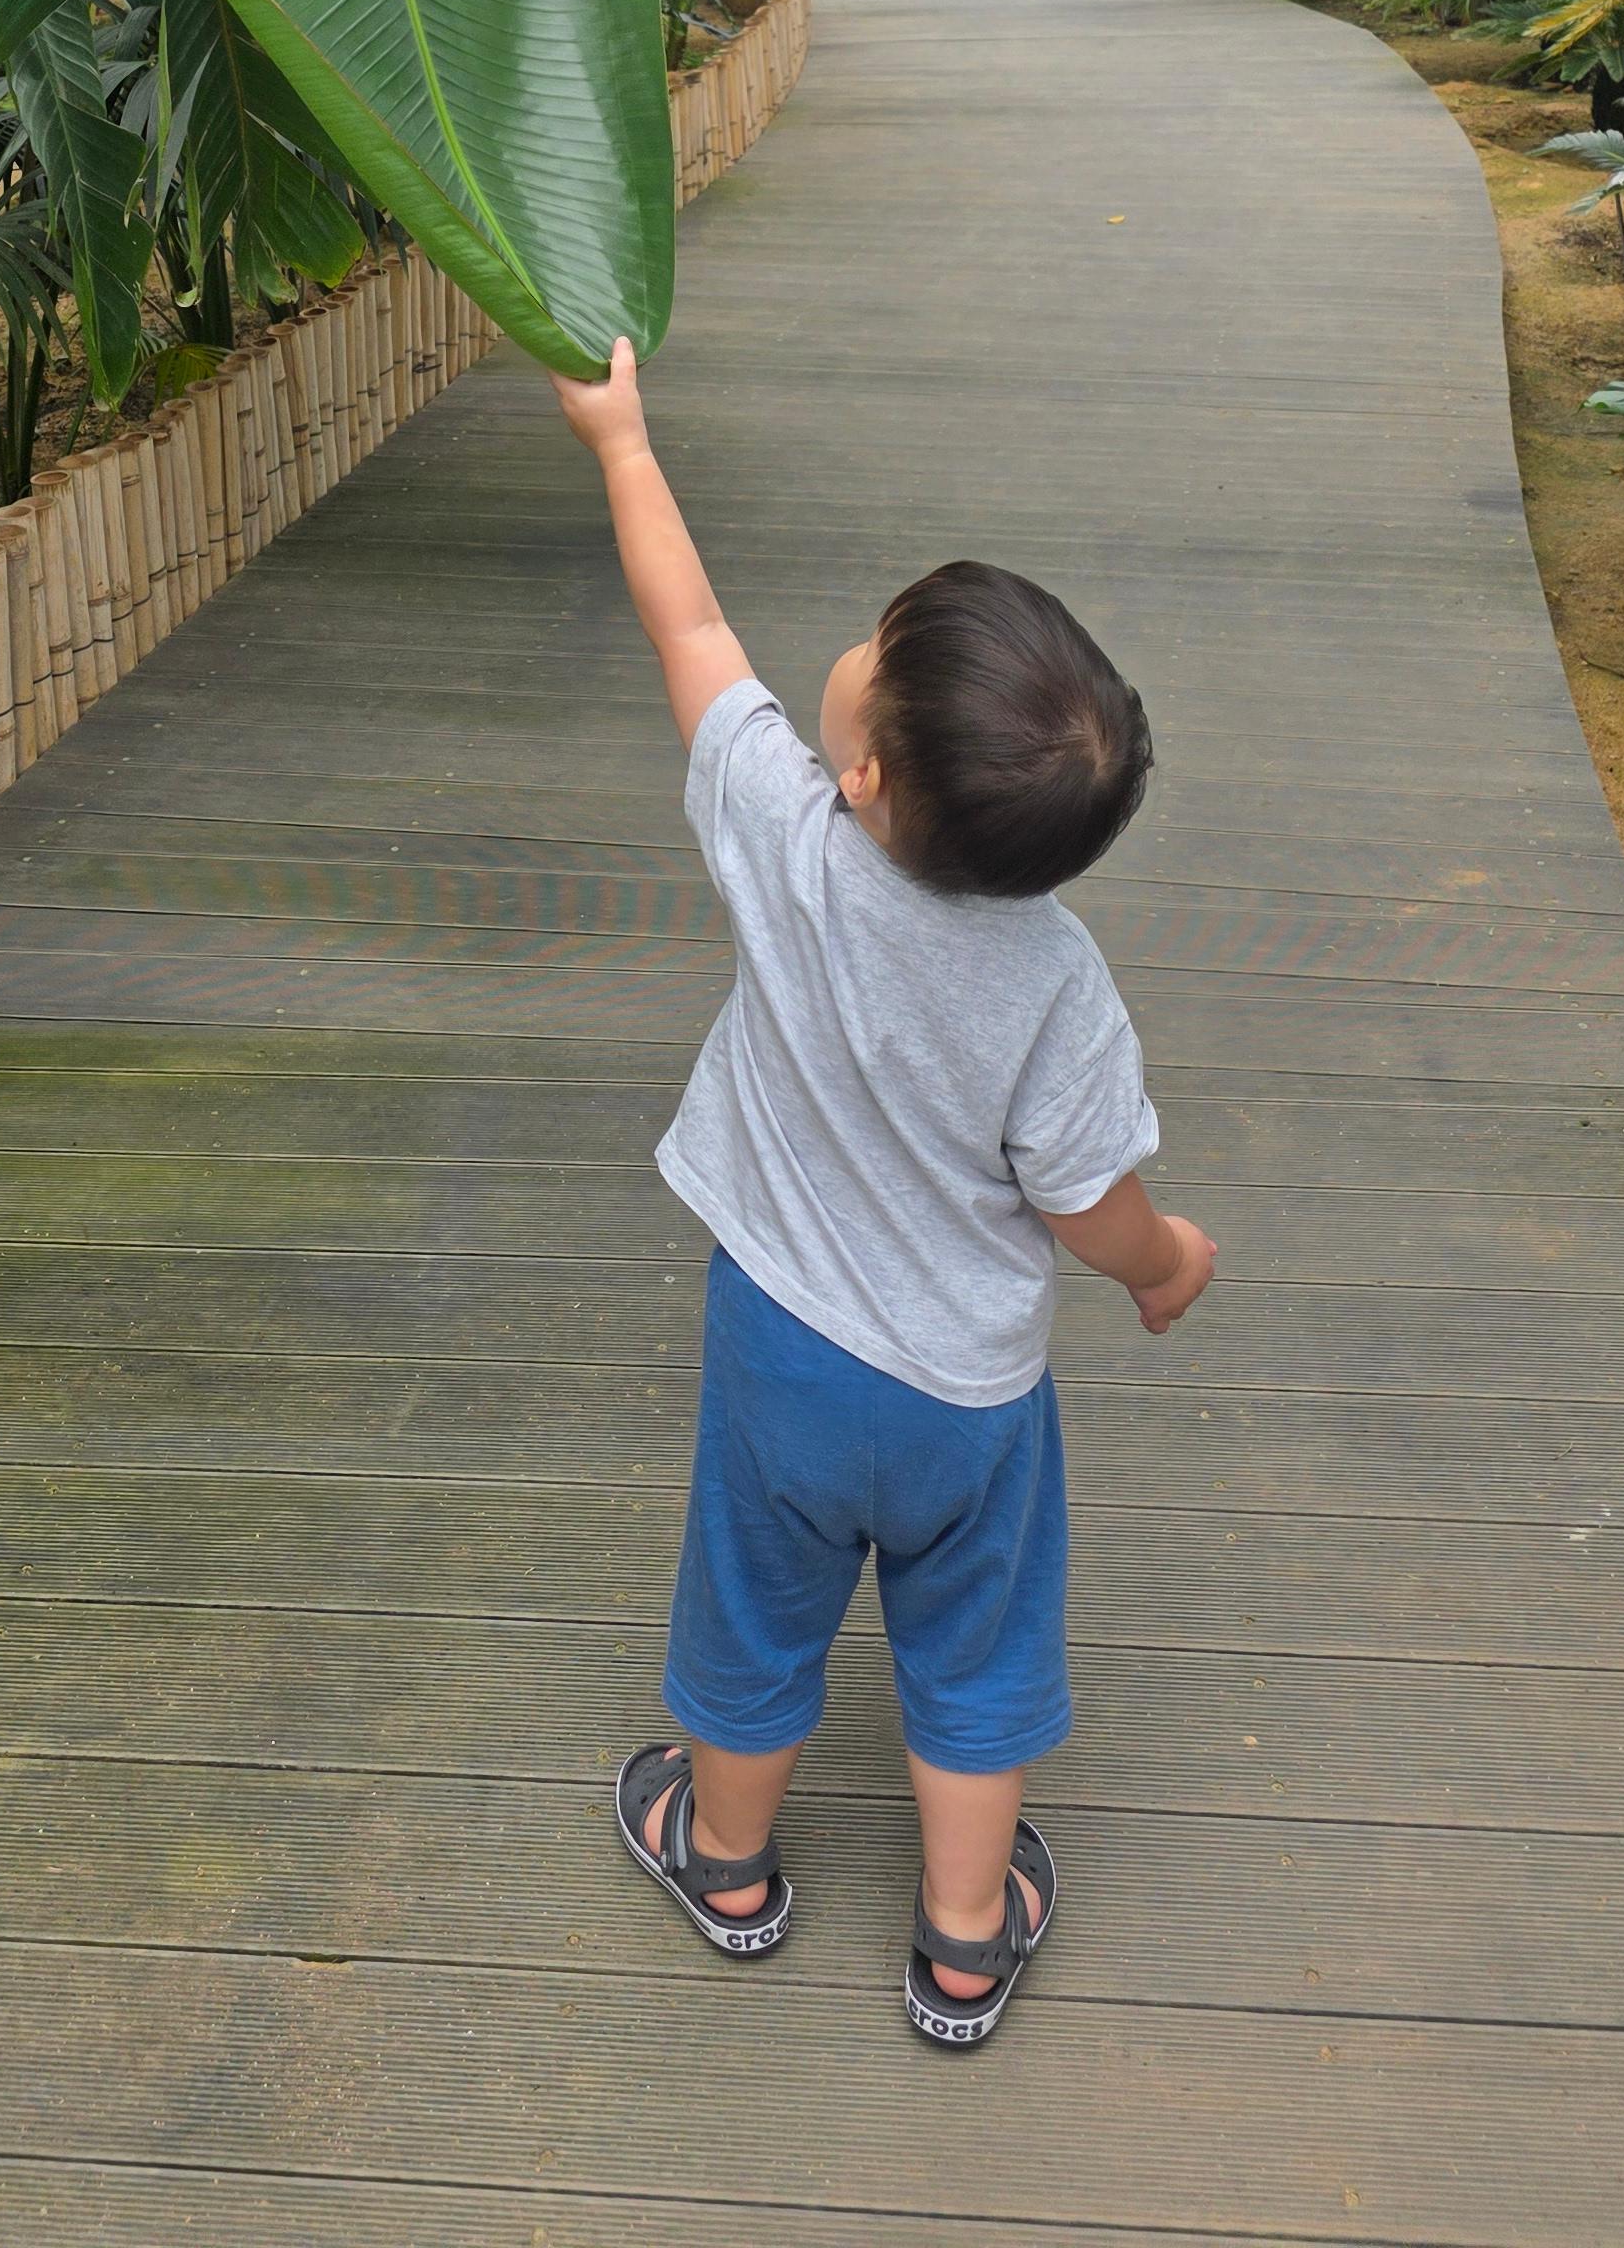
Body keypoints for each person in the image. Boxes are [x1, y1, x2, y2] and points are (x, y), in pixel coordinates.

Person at [551, 336, 1216, 2047]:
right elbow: (1091, 1210)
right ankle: (965, 1934)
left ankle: (730, 1860)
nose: (838, 655)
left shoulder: (787, 845)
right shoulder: (1060, 985)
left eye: (867, 647)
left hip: (780, 1353)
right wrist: (1164, 1264)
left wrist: (622, 438)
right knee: (975, 1654)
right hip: (970, 1403)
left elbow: (691, 628)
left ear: (860, 771)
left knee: (755, 1602)